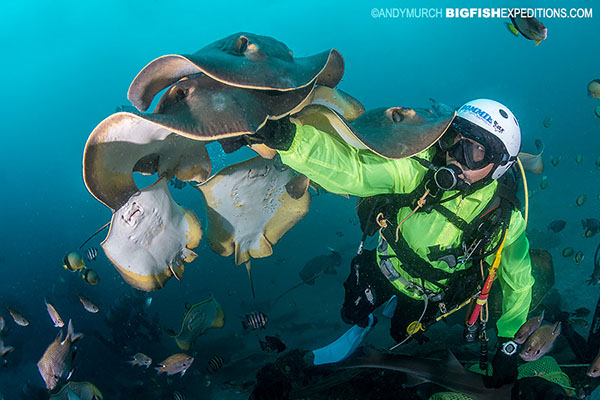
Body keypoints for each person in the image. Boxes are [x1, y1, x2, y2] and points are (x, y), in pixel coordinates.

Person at [252, 98, 535, 389]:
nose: (457, 157)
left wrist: (508, 341)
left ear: (499, 165)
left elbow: (518, 280)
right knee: (350, 312)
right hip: (383, 266)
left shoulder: (502, 219)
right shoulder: (418, 173)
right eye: (454, 140)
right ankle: (365, 324)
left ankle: (385, 321)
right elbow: (353, 170)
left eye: (476, 151)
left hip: (430, 296)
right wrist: (288, 139)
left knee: (401, 334)